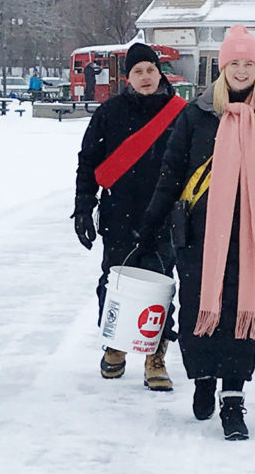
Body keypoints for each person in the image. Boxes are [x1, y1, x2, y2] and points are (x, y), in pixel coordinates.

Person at [139, 25, 255, 441]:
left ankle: (234, 397)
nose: (241, 70)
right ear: (222, 69)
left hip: (254, 237)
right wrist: (150, 228)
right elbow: (170, 177)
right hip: (200, 236)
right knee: (199, 308)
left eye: (249, 64)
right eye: (234, 63)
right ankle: (204, 377)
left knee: (244, 312)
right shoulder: (196, 115)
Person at [73, 43, 185, 391]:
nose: (145, 77)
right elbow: (88, 161)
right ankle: (115, 346)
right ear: (128, 77)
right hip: (119, 212)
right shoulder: (110, 112)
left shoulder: (180, 113)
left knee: (162, 284)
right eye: (138, 71)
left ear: (159, 72)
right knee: (115, 281)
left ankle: (156, 356)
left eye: (150, 69)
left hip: (165, 214)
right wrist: (83, 206)